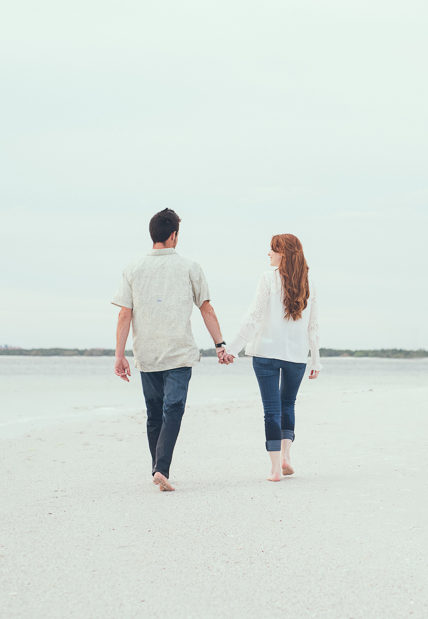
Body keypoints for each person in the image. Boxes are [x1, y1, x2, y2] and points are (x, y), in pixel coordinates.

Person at [112, 208, 234, 492]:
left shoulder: (132, 269)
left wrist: (119, 355)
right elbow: (207, 309)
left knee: (155, 414)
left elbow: (123, 315)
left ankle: (159, 469)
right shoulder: (190, 267)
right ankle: (161, 468)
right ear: (173, 236)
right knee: (172, 409)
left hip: (147, 353)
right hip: (179, 353)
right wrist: (220, 345)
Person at [227, 233, 321, 482]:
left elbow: (253, 316)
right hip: (297, 356)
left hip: (266, 353)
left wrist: (232, 348)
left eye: (273, 249)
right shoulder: (308, 283)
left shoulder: (268, 278)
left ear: (285, 253)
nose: (268, 253)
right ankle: (286, 457)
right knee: (288, 404)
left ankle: (275, 469)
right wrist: (315, 360)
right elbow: (313, 326)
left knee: (271, 408)